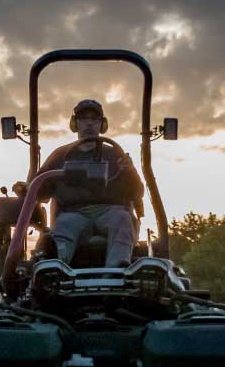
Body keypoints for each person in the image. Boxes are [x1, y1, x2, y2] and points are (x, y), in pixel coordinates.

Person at [21, 99, 144, 267]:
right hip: (74, 213)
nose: (89, 123)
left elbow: (136, 192)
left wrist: (129, 171)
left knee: (122, 218)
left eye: (94, 119)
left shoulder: (116, 155)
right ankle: (55, 266)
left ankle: (117, 270)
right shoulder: (60, 155)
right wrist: (26, 189)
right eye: (83, 119)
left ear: (102, 124)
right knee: (64, 226)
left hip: (109, 212)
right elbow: (41, 191)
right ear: (75, 124)